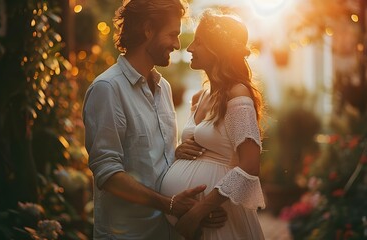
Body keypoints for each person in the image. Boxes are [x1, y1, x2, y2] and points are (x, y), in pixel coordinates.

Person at [82, 0, 218, 239]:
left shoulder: (163, 87)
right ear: (148, 29)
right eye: (172, 34)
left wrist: (200, 206)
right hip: (129, 234)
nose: (177, 44)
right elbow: (108, 173)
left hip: (168, 231)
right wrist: (169, 204)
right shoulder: (107, 89)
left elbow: (156, 158)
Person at [160, 10, 266, 240]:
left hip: (220, 219)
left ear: (217, 48)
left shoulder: (236, 94)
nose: (189, 48)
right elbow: (203, 149)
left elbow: (250, 164)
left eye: (198, 42)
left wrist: (199, 210)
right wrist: (178, 151)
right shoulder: (200, 97)